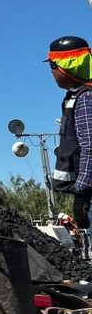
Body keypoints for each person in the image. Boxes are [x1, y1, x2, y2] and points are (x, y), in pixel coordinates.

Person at [47, 36, 92, 239]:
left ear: (64, 67)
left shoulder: (86, 98)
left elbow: (90, 145)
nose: (52, 73)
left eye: (52, 67)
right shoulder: (77, 97)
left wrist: (82, 194)